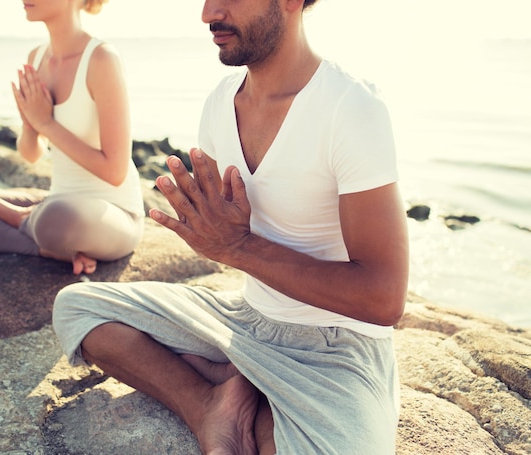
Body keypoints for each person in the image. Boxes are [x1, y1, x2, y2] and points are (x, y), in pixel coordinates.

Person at [53, 0, 409, 453]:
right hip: (244, 321)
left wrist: (237, 247)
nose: (208, 14)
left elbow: (384, 298)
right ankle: (208, 405)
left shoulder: (350, 108)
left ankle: (242, 381)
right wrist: (216, 235)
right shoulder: (221, 102)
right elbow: (220, 230)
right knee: (77, 308)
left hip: (335, 348)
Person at [0, 0, 145, 275]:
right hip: (56, 202)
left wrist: (45, 123)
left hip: (113, 216)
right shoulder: (36, 58)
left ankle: (25, 220)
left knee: (57, 217)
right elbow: (31, 153)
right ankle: (47, 248)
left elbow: (115, 171)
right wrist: (30, 124)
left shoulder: (101, 58)